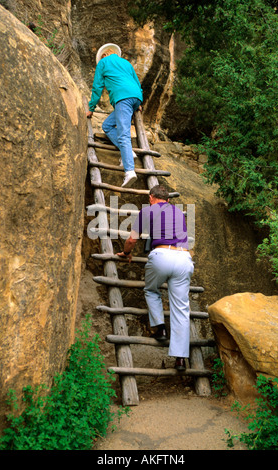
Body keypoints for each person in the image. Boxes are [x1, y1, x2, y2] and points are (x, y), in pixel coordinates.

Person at [117, 185, 194, 371]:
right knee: (181, 309)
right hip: (184, 258)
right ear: (167, 200)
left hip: (161, 256)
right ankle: (180, 358)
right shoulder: (178, 212)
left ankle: (159, 327)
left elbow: (132, 240)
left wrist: (126, 253)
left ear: (151, 198)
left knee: (151, 290)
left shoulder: (147, 210)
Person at [86, 43, 143, 188]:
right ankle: (128, 152)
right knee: (107, 125)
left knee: (123, 135)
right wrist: (139, 101)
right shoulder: (126, 63)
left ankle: (129, 171)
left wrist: (91, 107)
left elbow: (97, 87)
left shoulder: (103, 63)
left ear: (103, 55)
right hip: (135, 97)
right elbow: (137, 82)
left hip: (122, 98)